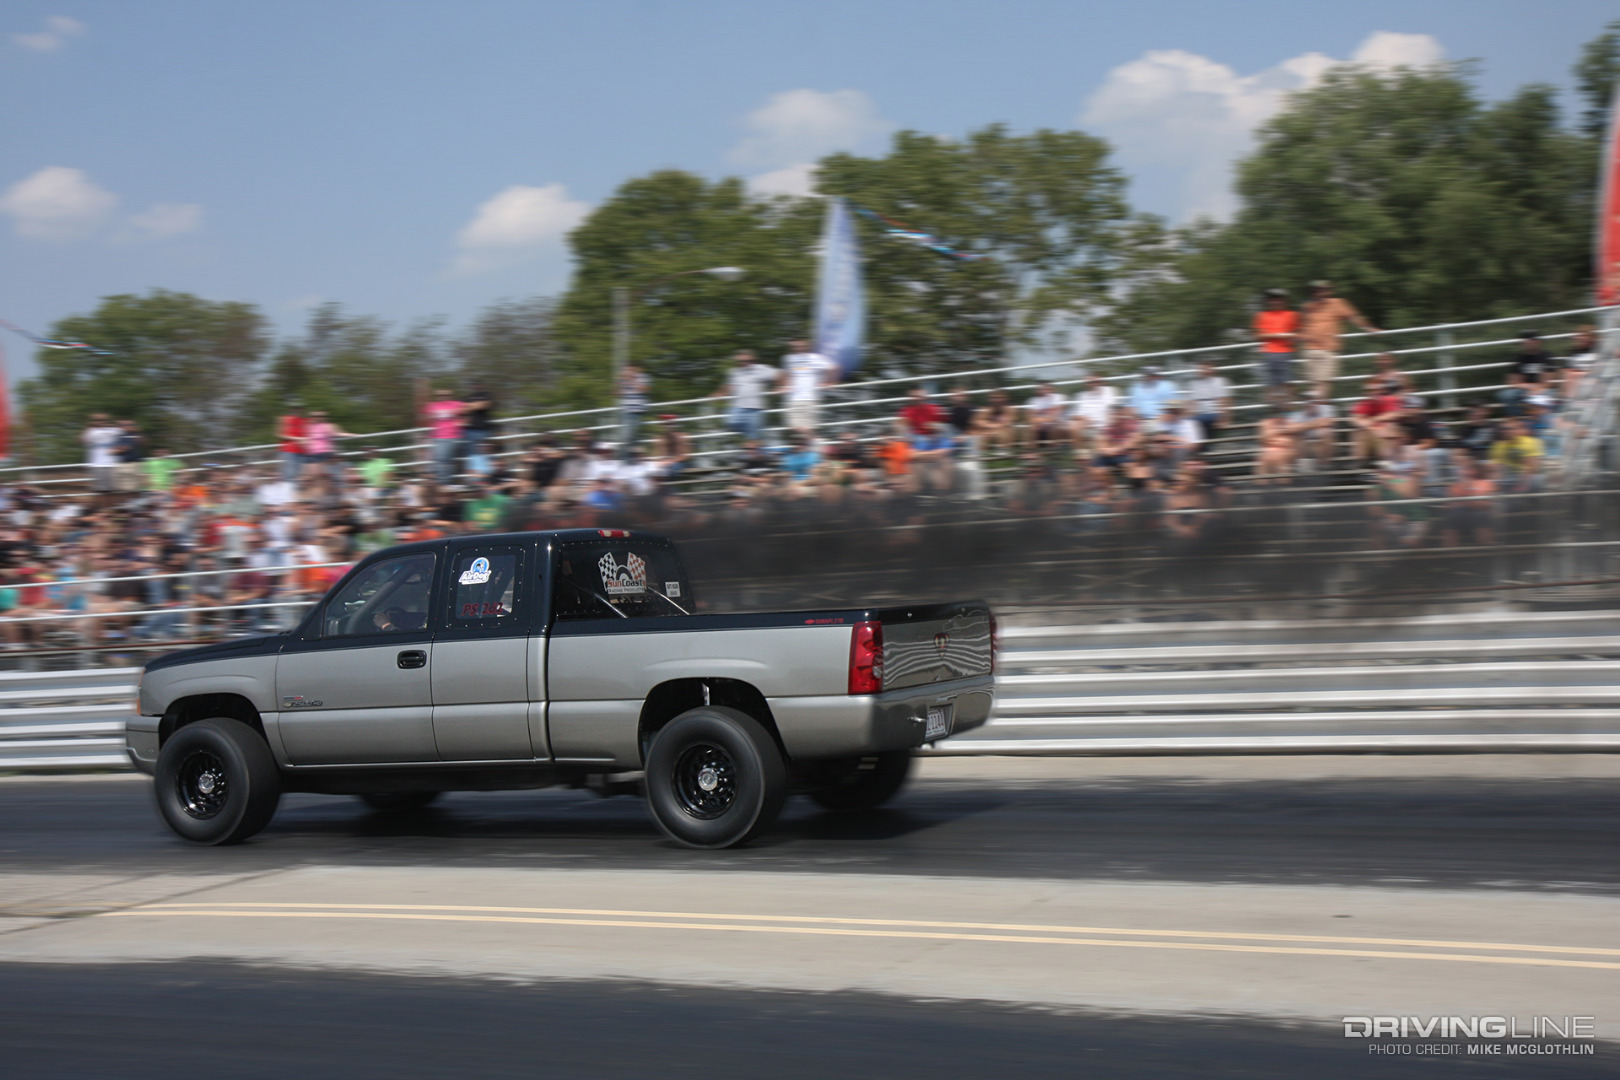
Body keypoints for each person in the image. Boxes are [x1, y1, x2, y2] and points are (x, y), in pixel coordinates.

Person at [1299, 280, 1380, 398]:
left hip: (1328, 349)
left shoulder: (1338, 303)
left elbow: (1354, 317)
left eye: (1322, 289)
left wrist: (1368, 328)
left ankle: (1318, 405)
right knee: (1314, 383)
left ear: (1329, 291)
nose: (1318, 292)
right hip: (1310, 348)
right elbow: (1303, 326)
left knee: (1324, 381)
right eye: (1315, 290)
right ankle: (1317, 405)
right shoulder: (1307, 307)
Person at [778, 339, 837, 436]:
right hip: (792, 399)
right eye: (795, 346)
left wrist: (828, 382)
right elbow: (784, 374)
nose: (798, 348)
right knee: (794, 427)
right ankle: (816, 444)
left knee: (809, 428)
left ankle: (816, 446)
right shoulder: (789, 359)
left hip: (811, 398)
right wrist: (784, 386)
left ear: (807, 347)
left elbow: (834, 368)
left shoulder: (815, 358)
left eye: (800, 346)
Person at [716, 350, 774, 444]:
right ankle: (754, 438)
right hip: (738, 406)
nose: (744, 363)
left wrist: (782, 386)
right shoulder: (734, 372)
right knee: (731, 423)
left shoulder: (761, 369)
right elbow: (729, 385)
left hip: (756, 408)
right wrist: (720, 392)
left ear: (753, 360)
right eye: (741, 361)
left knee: (754, 435)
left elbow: (779, 374)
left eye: (747, 360)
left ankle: (756, 447)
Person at [1252, 288, 1299, 399]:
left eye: (1279, 299)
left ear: (1285, 301)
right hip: (1268, 353)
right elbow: (1258, 336)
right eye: (1272, 299)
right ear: (1268, 301)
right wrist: (1281, 335)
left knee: (1288, 383)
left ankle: (1289, 410)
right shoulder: (1261, 315)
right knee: (1269, 385)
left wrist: (1272, 335)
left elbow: (1297, 334)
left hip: (1286, 353)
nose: (1275, 302)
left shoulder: (1292, 315)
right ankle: (1274, 411)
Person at [419, 383, 464, 483]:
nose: (443, 397)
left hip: (452, 435)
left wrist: (461, 422)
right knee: (437, 461)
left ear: (450, 396)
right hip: (436, 436)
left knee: (443, 459)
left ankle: (444, 482)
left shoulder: (456, 404)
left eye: (446, 395)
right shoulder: (432, 406)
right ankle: (441, 482)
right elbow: (422, 415)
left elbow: (468, 410)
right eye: (440, 395)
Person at [1186, 359, 1231, 442]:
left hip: (1214, 413)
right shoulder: (1195, 384)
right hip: (1201, 414)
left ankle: (1203, 447)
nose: (1202, 371)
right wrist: (1186, 416)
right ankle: (1204, 447)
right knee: (1188, 422)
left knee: (1192, 423)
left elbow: (1224, 401)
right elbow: (1192, 403)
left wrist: (1224, 419)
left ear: (1212, 370)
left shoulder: (1219, 381)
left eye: (1206, 368)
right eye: (1201, 369)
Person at [1069, 373, 1118, 446]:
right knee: (1073, 425)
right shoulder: (1082, 395)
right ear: (1086, 384)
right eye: (1090, 382)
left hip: (1104, 422)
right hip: (1086, 423)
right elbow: (1073, 415)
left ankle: (1083, 449)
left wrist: (1106, 422)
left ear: (1102, 382)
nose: (1094, 384)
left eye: (1097, 381)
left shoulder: (1109, 391)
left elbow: (1113, 409)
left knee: (1076, 425)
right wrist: (1083, 418)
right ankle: (1080, 450)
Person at [82, 414, 122, 493]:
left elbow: (126, 434)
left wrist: (110, 425)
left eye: (102, 420)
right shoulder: (91, 431)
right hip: (98, 465)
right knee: (101, 490)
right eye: (97, 420)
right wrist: (88, 428)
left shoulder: (115, 430)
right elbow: (83, 441)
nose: (100, 422)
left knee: (116, 490)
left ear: (107, 420)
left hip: (115, 464)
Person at [616, 365, 649, 459]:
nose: (626, 371)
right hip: (625, 411)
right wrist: (620, 382)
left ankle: (622, 459)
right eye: (625, 369)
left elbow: (644, 390)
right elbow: (618, 394)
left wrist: (632, 379)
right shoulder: (623, 379)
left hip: (636, 410)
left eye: (629, 369)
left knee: (627, 437)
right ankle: (633, 459)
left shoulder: (642, 377)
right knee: (632, 438)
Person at [277, 409, 307, 484]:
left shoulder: (304, 420)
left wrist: (305, 440)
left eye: (298, 408)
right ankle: (287, 491)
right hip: (289, 450)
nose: (296, 410)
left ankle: (292, 491)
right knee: (289, 473)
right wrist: (298, 438)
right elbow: (280, 435)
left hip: (302, 451)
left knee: (298, 473)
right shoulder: (284, 419)